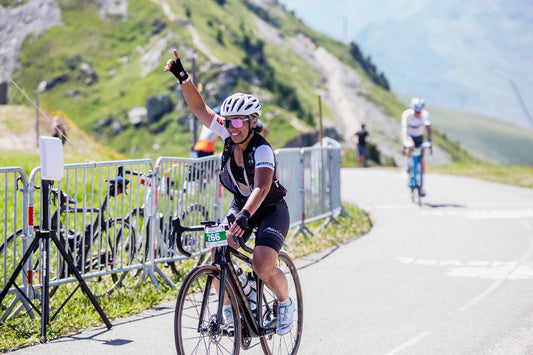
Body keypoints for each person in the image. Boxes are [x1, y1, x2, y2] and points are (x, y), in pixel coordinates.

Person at [164, 49, 294, 335]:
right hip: (241, 206)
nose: (232, 127)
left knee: (262, 264)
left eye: (238, 122)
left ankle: (285, 303)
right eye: (228, 121)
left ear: (252, 122)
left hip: (270, 209)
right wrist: (183, 78)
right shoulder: (227, 135)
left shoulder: (261, 149)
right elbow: (201, 110)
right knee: (218, 248)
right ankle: (230, 306)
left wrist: (246, 216)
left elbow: (261, 187)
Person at [193, 107, 269, 157]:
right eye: (227, 121)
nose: (231, 126)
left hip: (200, 148)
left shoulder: (244, 116)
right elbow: (266, 131)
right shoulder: (244, 115)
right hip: (205, 150)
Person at [401, 97, 432, 196]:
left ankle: (421, 186)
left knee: (421, 158)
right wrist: (406, 141)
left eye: (419, 111)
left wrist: (429, 141)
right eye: (416, 111)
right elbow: (404, 129)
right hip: (410, 136)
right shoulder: (407, 114)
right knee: (409, 149)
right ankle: (406, 170)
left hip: (419, 136)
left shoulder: (425, 114)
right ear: (412, 108)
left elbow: (428, 128)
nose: (418, 113)